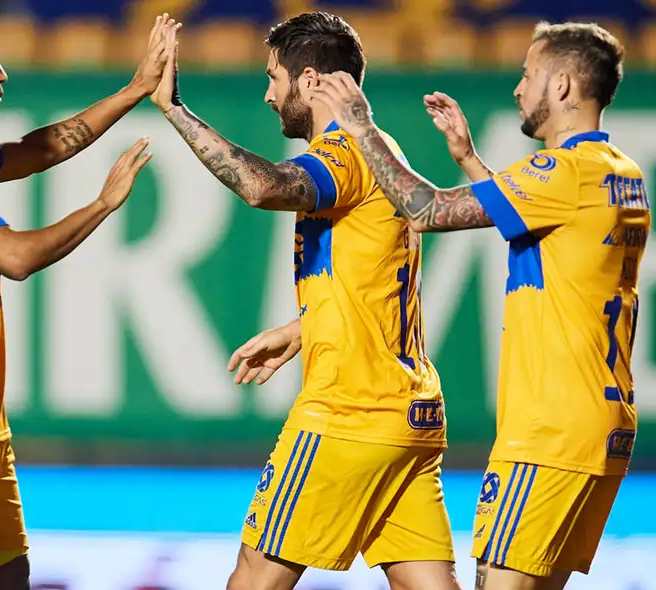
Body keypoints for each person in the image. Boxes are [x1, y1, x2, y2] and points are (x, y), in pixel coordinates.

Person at [311, 21, 647, 590]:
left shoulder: (560, 173)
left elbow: (426, 211)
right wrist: (470, 159)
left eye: (528, 74)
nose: (518, 88)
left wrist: (361, 127)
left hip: (547, 432)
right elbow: (544, 237)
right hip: (605, 428)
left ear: (563, 85)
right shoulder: (621, 174)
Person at [151, 11, 459, 590]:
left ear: (312, 80)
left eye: (274, 78)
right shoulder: (381, 152)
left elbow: (262, 186)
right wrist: (302, 328)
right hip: (411, 415)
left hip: (348, 412)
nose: (269, 96)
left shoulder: (344, 151)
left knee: (254, 575)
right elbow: (374, 275)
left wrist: (172, 108)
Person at [0, 6, 171, 589]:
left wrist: (135, 90)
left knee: (7, 580)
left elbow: (42, 147)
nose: (3, 76)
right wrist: (102, 206)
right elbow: (16, 258)